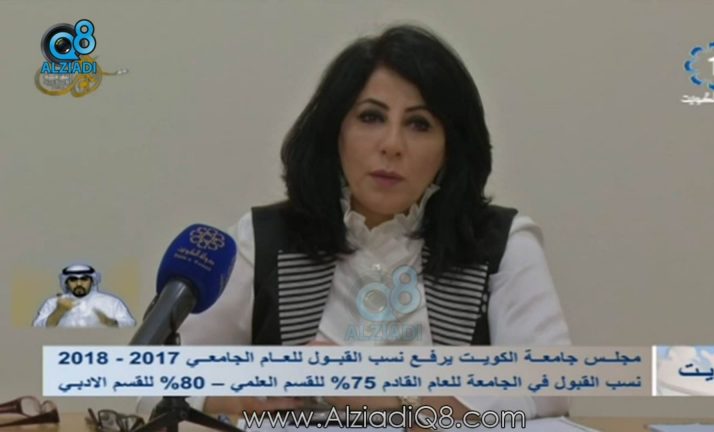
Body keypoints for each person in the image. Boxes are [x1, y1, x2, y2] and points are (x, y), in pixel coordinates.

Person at [137, 24, 570, 421]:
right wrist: (233, 399)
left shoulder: (501, 244)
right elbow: (151, 380)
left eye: (419, 124)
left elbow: (553, 382)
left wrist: (392, 396)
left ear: (450, 147)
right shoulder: (263, 240)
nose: (392, 144)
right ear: (335, 132)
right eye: (371, 117)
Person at [32, 263, 136, 328]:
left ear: (92, 281)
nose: (79, 284)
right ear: (66, 282)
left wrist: (111, 323)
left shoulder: (111, 302)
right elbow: (37, 328)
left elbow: (130, 324)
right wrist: (58, 312)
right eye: (73, 280)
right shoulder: (52, 303)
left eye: (84, 279)